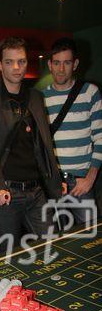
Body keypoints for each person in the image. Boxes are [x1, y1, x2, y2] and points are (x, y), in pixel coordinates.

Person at [0, 36, 62, 252]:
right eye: (10, 62)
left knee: (53, 248)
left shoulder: (35, 97)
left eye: (21, 61)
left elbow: (44, 144)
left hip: (36, 190)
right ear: (0, 65)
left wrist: (54, 180)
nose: (16, 67)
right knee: (7, 257)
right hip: (6, 191)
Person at [43, 37, 102, 224]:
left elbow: (100, 140)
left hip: (81, 183)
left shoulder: (90, 92)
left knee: (90, 238)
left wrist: (90, 179)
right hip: (54, 184)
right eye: (57, 63)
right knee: (58, 240)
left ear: (75, 64)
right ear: (49, 65)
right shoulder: (41, 97)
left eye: (67, 63)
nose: (61, 69)